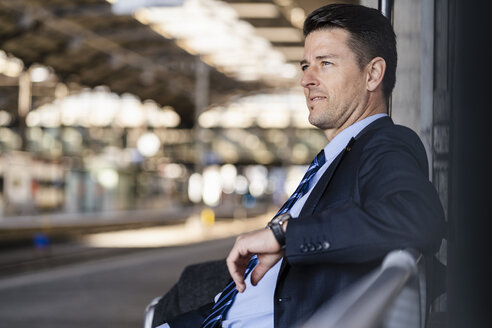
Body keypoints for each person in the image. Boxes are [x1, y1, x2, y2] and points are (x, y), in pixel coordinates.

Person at [160, 3, 445, 328]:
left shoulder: (384, 143)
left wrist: (285, 235)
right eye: (305, 65)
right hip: (229, 312)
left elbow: (417, 217)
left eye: (325, 63)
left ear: (373, 74)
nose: (306, 80)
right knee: (188, 284)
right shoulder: (336, 157)